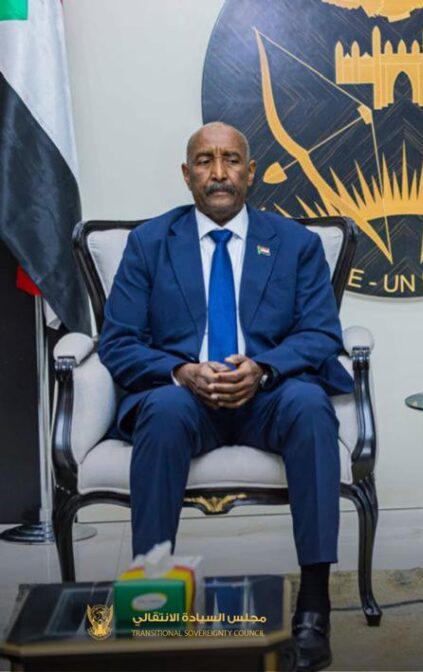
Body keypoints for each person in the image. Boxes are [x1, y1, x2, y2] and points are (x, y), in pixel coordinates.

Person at [99, 122, 349, 671]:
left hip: (268, 396)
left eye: (231, 160)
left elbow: (321, 333)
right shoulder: (150, 244)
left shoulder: (295, 244)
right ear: (186, 174)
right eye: (205, 161)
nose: (218, 173)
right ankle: (155, 598)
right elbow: (118, 341)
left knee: (311, 408)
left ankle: (313, 605)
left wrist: (262, 369)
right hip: (186, 400)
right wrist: (182, 371)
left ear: (250, 172)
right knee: (161, 410)